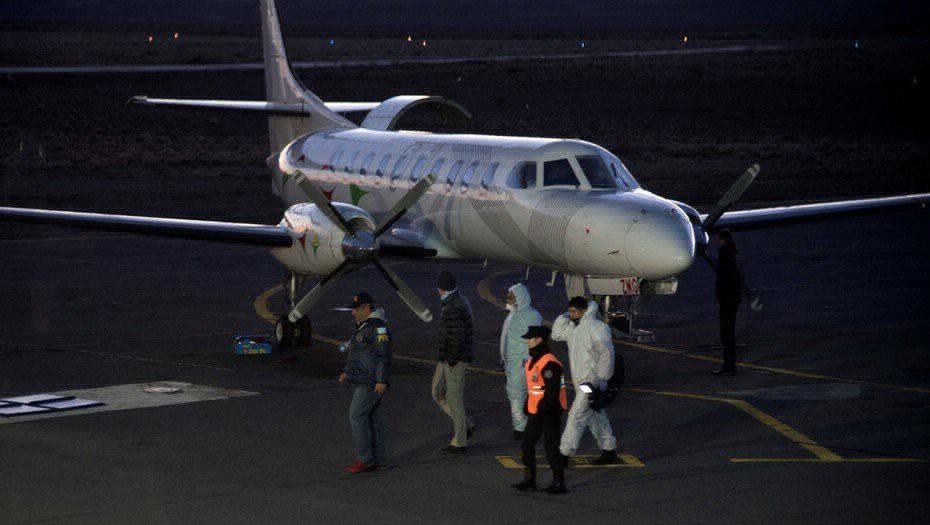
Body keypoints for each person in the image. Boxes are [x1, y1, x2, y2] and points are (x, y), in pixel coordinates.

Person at [551, 296, 619, 465]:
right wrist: (565, 316)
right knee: (595, 415)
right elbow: (556, 334)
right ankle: (608, 448)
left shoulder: (596, 327)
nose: (571, 314)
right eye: (570, 311)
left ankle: (564, 453)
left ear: (583, 311)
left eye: (574, 311)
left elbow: (606, 353)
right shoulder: (574, 328)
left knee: (577, 415)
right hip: (581, 381)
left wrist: (603, 379)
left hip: (591, 382)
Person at [339, 292, 392, 473]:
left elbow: (383, 356)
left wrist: (381, 380)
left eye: (356, 309)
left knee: (356, 415)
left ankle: (364, 458)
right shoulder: (364, 326)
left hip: (370, 382)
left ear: (367, 308)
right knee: (373, 418)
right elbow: (357, 352)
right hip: (366, 379)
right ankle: (379, 460)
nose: (353, 313)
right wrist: (347, 371)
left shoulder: (378, 328)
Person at [512, 325, 568, 494]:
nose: (527, 341)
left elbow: (551, 392)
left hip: (550, 412)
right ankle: (530, 479)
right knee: (527, 445)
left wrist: (540, 410)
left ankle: (559, 483)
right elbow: (535, 388)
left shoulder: (550, 363)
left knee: (551, 448)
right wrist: (528, 405)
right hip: (537, 412)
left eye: (530, 338)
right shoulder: (533, 361)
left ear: (539, 340)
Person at [432, 269, 475, 453]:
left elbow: (457, 337)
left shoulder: (452, 307)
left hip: (454, 360)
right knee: (437, 393)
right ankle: (466, 425)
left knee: (454, 400)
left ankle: (460, 441)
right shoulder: (459, 301)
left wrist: (451, 360)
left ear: (440, 288)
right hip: (448, 358)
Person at [499, 283, 543, 441]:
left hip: (521, 364)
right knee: (518, 395)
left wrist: (527, 362)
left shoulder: (529, 316)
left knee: (518, 396)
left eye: (511, 296)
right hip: (513, 363)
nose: (508, 299)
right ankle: (523, 426)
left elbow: (534, 341)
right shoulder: (513, 316)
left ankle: (522, 428)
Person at [713, 229, 744, 376]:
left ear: (722, 239)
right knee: (729, 333)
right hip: (734, 299)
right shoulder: (735, 254)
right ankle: (730, 365)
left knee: (726, 334)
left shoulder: (725, 255)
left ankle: (729, 365)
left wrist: (722, 297)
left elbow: (725, 279)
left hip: (727, 300)